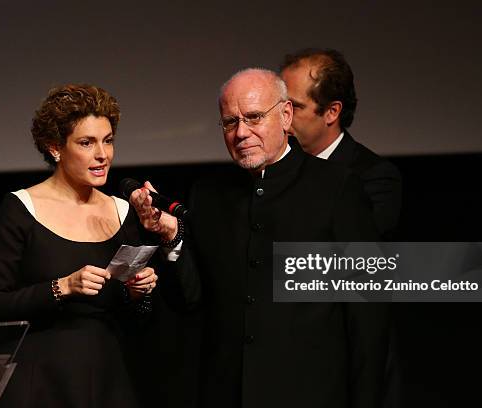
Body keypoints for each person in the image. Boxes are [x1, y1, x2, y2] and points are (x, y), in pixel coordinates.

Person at [130, 69, 390, 408]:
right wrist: (172, 238)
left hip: (313, 393)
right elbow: (191, 301)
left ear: (285, 116)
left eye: (253, 118)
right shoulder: (207, 195)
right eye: (229, 122)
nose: (241, 133)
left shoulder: (336, 187)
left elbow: (367, 316)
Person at [0, 84, 162, 408]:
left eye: (108, 141)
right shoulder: (21, 209)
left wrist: (138, 293)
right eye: (86, 143)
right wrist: (61, 287)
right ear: (55, 147)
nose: (102, 154)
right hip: (39, 383)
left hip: (109, 381)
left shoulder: (122, 211)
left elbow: (137, 320)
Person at [280, 48, 402, 239]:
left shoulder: (373, 177)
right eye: (279, 106)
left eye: (294, 106)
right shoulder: (270, 168)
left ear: (332, 112)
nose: (282, 118)